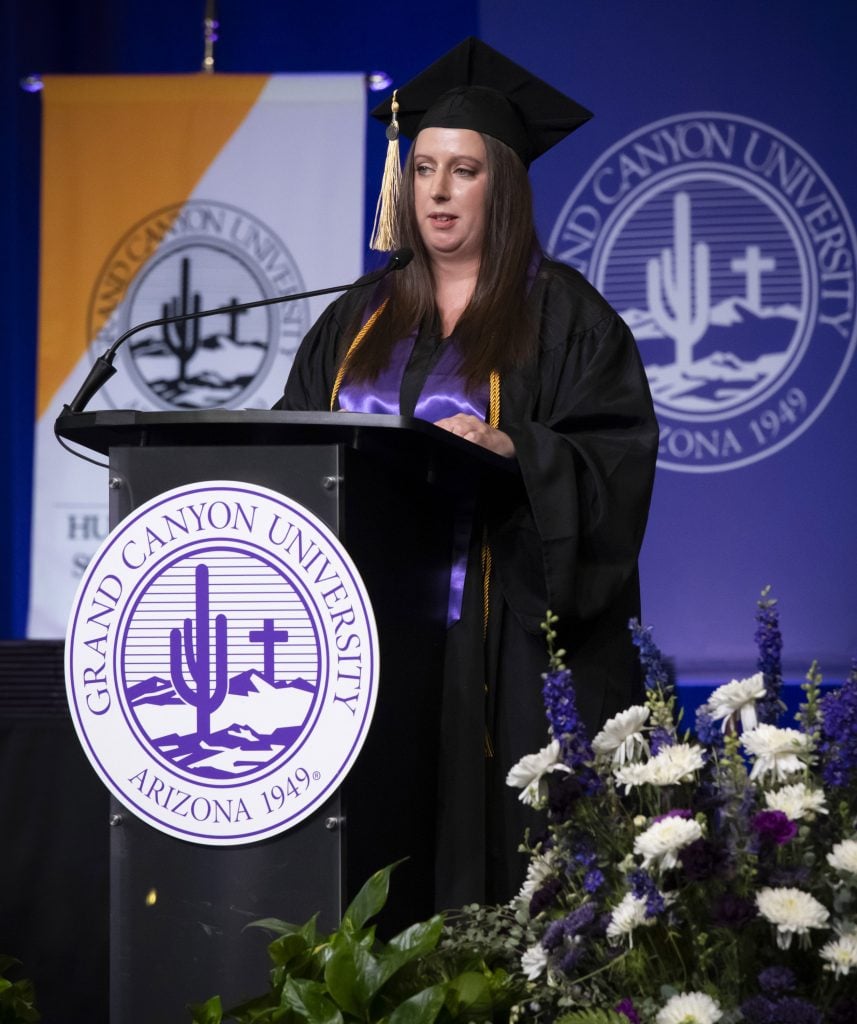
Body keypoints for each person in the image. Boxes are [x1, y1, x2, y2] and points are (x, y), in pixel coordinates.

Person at [274, 37, 658, 909]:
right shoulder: (354, 320)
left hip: (494, 637)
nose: (437, 191)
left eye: (463, 171)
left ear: (503, 187)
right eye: (423, 169)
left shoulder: (565, 317)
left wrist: (518, 451)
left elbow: (613, 456)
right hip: (357, 637)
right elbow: (294, 447)